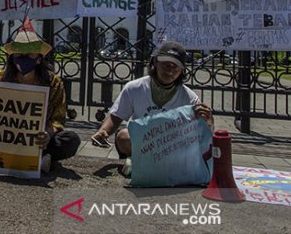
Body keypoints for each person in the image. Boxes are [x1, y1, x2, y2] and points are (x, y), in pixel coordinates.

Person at [0, 19, 81, 172]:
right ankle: (39, 158)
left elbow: (58, 118)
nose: (23, 58)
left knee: (71, 140)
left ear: (38, 59)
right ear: (12, 57)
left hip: (38, 139)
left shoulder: (53, 82)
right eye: (19, 54)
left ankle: (43, 153)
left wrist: (48, 134)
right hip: (4, 137)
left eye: (29, 54)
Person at [90, 40, 214, 175]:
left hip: (172, 148)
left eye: (175, 67)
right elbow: (116, 116)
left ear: (182, 71)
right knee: (124, 137)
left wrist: (208, 121)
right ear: (155, 63)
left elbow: (202, 136)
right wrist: (104, 131)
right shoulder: (134, 88)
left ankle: (152, 163)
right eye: (166, 65)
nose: (170, 71)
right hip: (142, 144)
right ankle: (139, 159)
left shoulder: (189, 97)